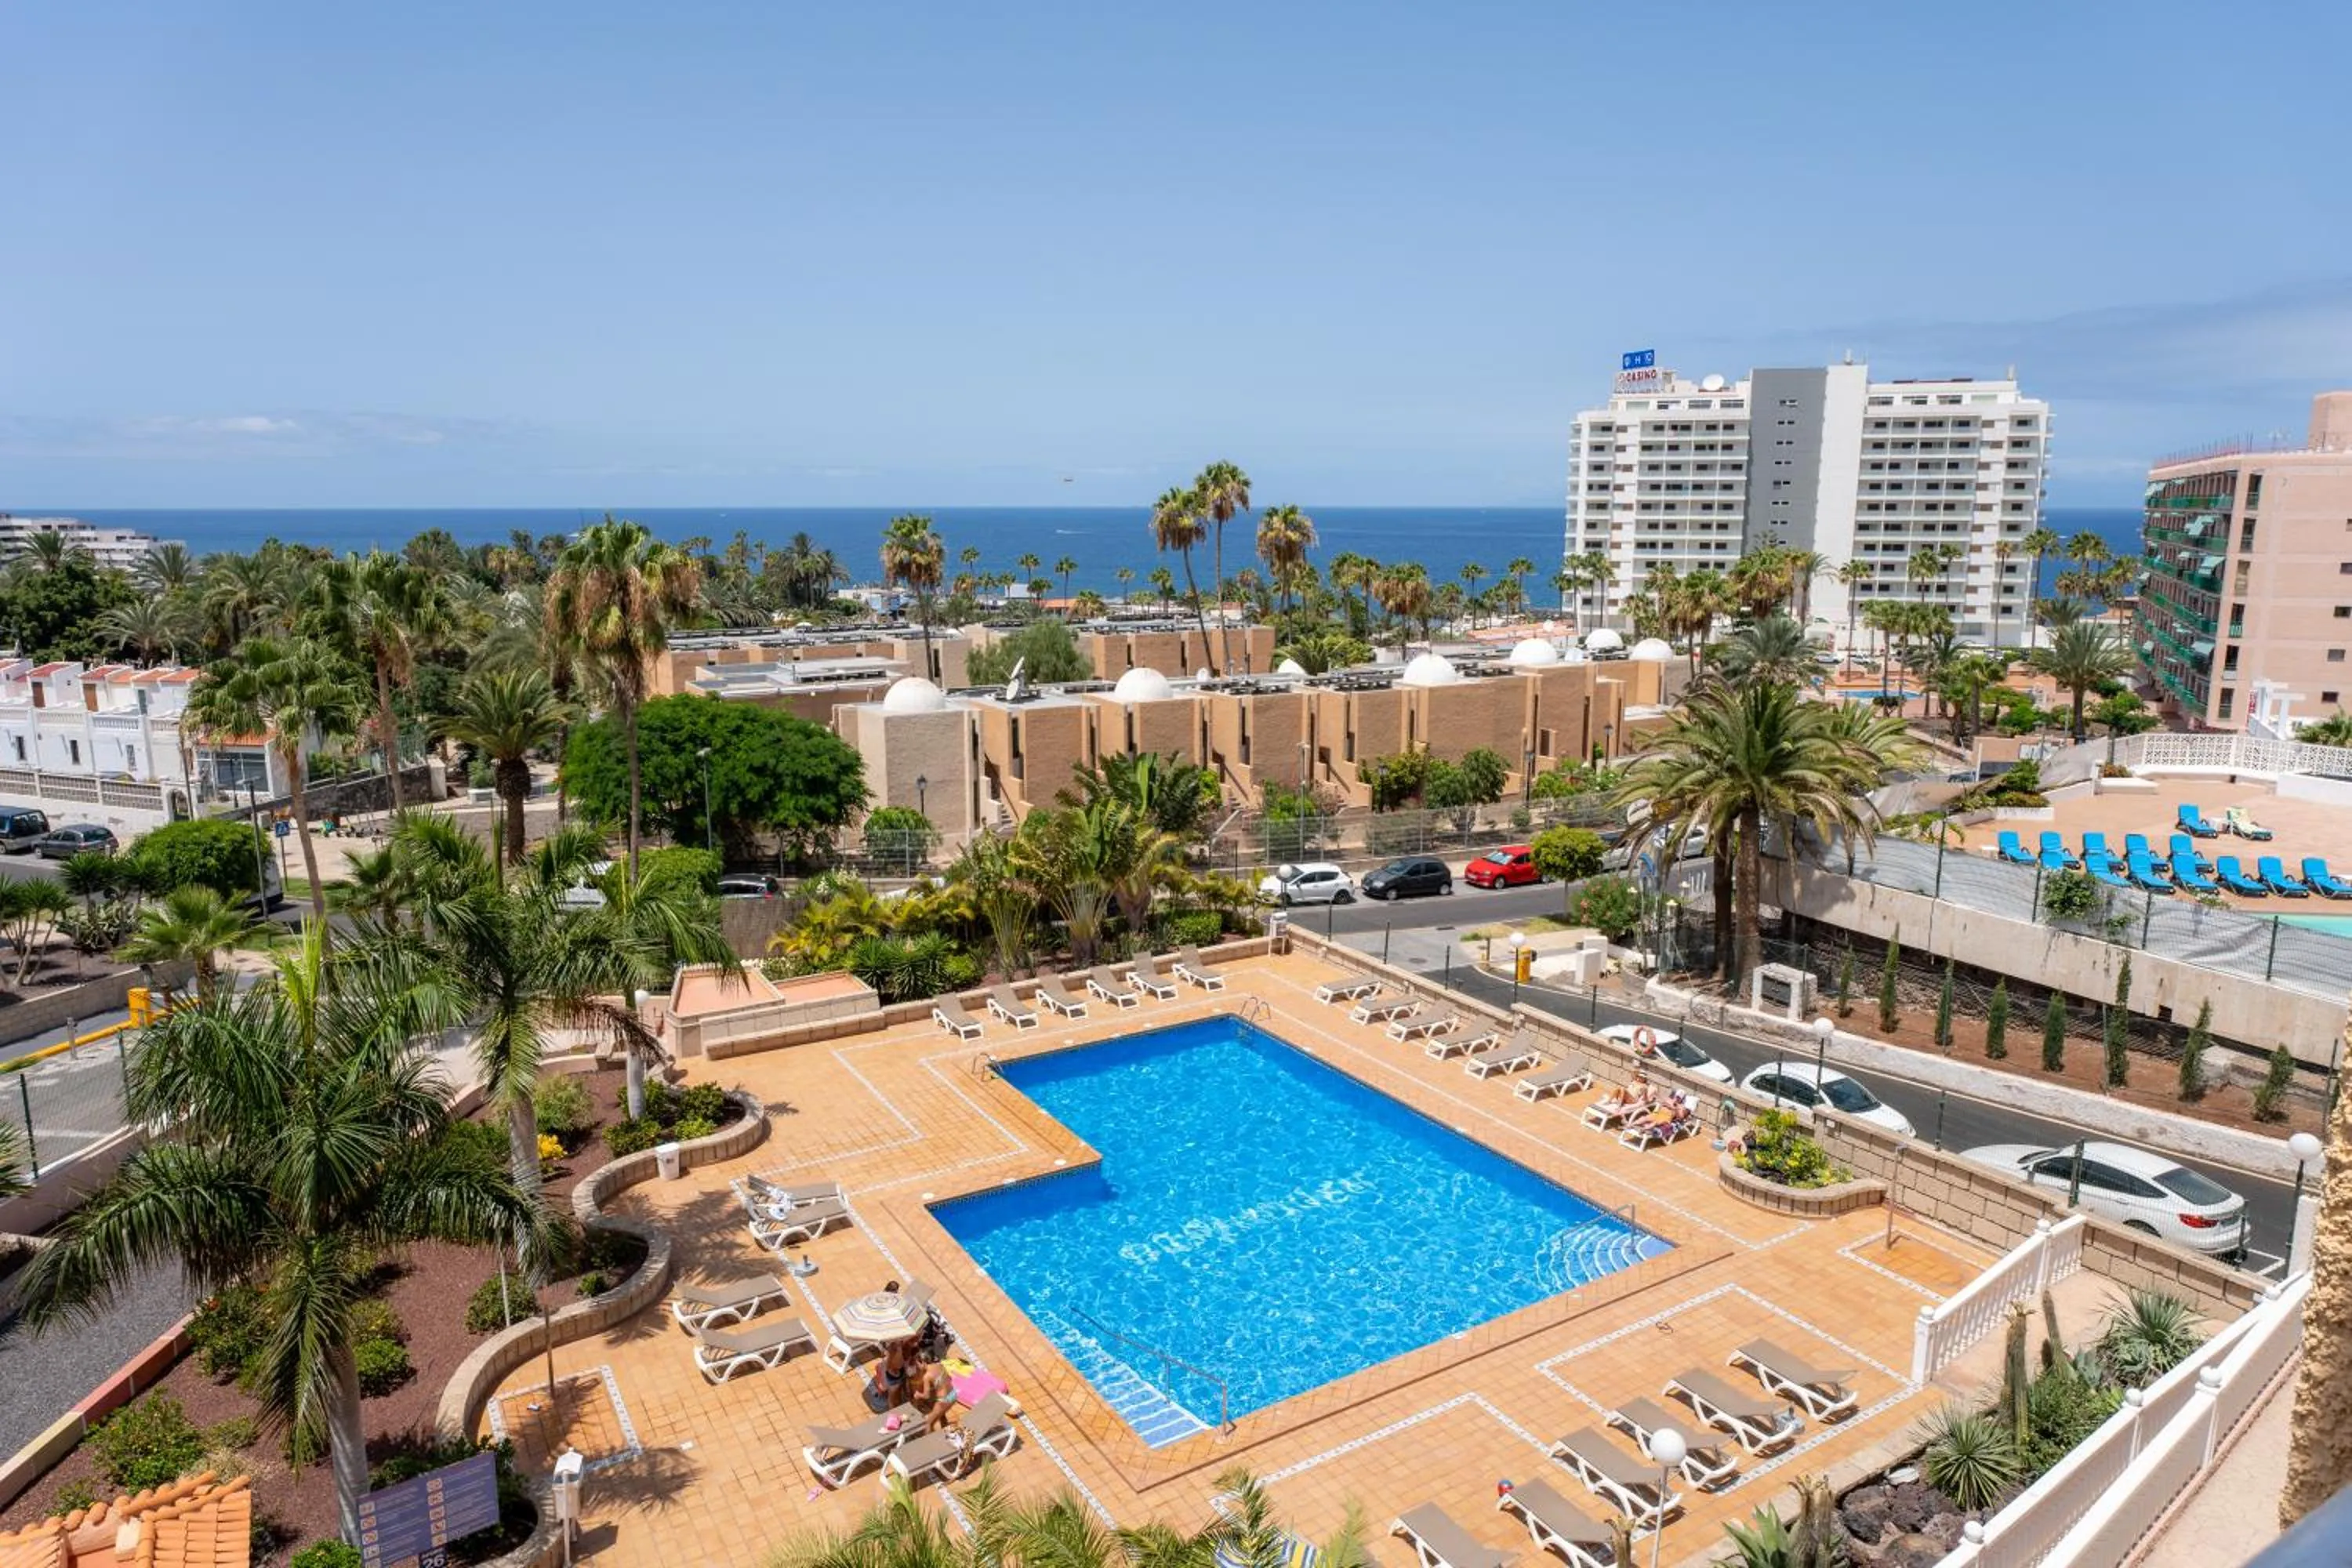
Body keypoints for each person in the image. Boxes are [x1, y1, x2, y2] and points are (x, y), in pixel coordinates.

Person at [910, 1354, 960, 1431]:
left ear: (923, 1362)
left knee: (929, 1422)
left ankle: (934, 1438)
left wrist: (918, 1395)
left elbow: (926, 1396)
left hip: (944, 1400)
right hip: (953, 1394)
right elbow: (949, 1378)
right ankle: (946, 1427)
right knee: (939, 1415)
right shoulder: (939, 1365)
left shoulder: (927, 1376)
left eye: (918, 1365)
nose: (918, 1368)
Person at [866, 1338, 913, 1412]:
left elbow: (891, 1367)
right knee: (896, 1396)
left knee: (892, 1399)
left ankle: (894, 1411)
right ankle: (899, 1403)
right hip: (897, 1377)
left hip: (893, 1379)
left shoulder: (891, 1355)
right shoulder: (901, 1351)